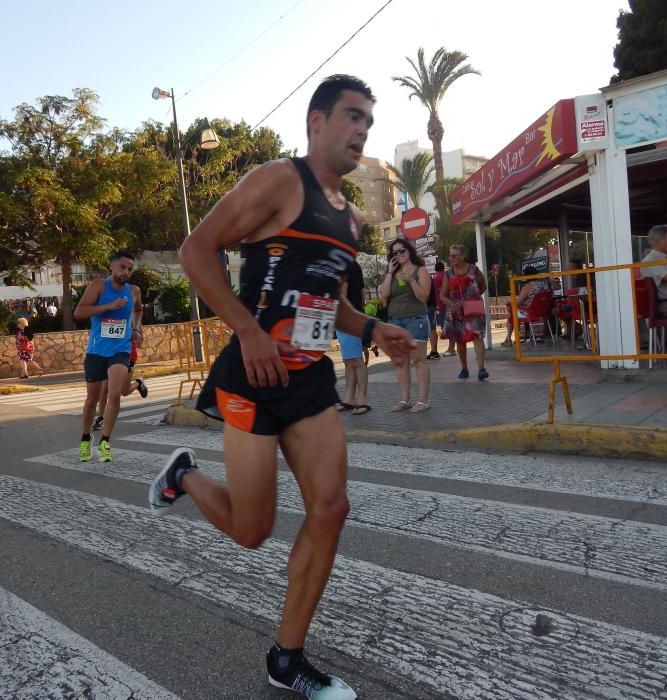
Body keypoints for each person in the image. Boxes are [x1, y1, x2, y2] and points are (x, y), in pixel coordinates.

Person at [147, 75, 416, 699]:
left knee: (331, 508)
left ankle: (286, 657)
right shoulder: (279, 181)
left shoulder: (350, 221)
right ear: (316, 122)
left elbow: (334, 305)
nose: (361, 131)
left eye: (368, 123)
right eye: (352, 117)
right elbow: (196, 251)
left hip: (308, 379)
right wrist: (247, 330)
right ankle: (183, 475)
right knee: (251, 531)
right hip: (253, 375)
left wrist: (376, 328)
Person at [74, 251, 144, 463]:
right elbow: (79, 312)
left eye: (130, 269)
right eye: (123, 267)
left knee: (114, 395)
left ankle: (105, 441)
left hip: (120, 350)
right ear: (112, 267)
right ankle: (86, 438)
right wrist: (109, 307)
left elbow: (139, 311)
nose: (126, 272)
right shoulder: (98, 286)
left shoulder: (134, 291)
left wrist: (137, 328)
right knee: (91, 400)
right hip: (96, 350)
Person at [380, 237, 433, 412]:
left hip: (415, 319)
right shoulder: (392, 273)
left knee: (418, 360)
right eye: (394, 253)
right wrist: (389, 272)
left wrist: (411, 280)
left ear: (409, 251)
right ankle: (404, 400)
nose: (399, 255)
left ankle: (423, 401)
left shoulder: (421, 270)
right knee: (400, 362)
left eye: (402, 251)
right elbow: (385, 295)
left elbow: (424, 297)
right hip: (395, 321)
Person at [441, 243, 489, 380]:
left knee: (477, 337)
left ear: (463, 256)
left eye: (454, 255)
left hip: (473, 309)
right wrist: (452, 303)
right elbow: (442, 295)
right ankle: (464, 368)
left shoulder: (474, 269)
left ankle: (481, 369)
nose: (451, 258)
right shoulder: (449, 273)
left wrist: (472, 297)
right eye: (450, 255)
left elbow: (483, 285)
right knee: (459, 340)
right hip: (456, 311)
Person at [335, 260, 371, 415]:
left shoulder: (342, 264)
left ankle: (361, 399)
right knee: (349, 360)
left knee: (355, 360)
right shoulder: (353, 264)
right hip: (351, 315)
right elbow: (361, 293)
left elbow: (341, 295)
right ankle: (350, 398)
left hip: (347, 317)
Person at [91, 340, 149, 432]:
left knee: (124, 391)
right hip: (109, 355)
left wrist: (134, 336)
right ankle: (102, 417)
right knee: (104, 387)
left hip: (128, 357)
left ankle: (139, 383)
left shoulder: (132, 325)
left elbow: (139, 339)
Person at [501, 266, 543, 346]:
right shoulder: (544, 284)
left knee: (511, 309)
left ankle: (508, 339)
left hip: (531, 313)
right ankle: (508, 338)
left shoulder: (528, 286)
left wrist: (508, 301)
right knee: (513, 311)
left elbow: (518, 302)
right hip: (544, 312)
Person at [431, 260, 455, 357]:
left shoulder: (435, 278)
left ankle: (451, 349)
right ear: (443, 268)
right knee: (448, 327)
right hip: (447, 304)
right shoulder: (445, 276)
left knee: (448, 328)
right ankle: (451, 348)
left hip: (442, 305)